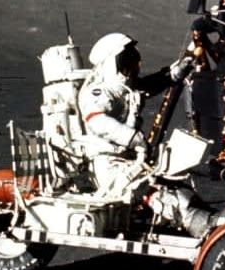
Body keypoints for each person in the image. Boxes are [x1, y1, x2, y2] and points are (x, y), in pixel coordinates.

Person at [68, 33, 194, 200]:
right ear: (112, 63)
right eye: (128, 60)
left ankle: (212, 219)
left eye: (134, 59)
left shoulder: (127, 89)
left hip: (129, 160)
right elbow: (97, 120)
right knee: (160, 196)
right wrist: (134, 138)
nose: (136, 64)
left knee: (173, 186)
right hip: (107, 165)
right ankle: (210, 222)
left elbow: (156, 82)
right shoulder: (98, 92)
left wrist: (181, 68)